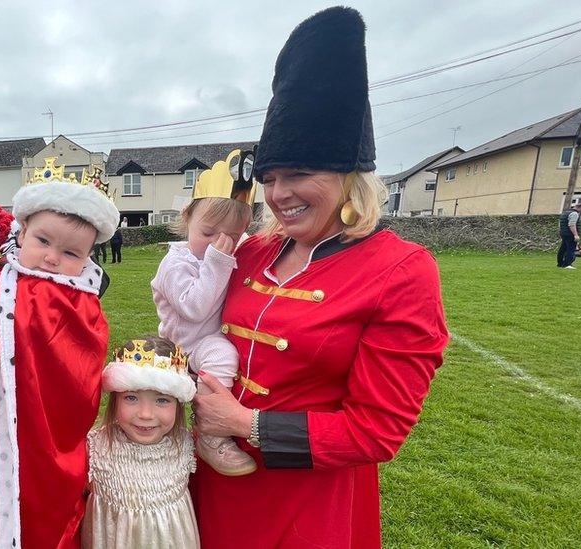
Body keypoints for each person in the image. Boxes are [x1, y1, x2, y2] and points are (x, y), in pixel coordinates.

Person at [190, 8, 449, 548]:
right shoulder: (254, 250)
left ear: (349, 177)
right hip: (212, 482)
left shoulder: (402, 270)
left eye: (300, 174)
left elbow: (376, 430)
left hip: (306, 502)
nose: (280, 194)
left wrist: (244, 424)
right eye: (271, 178)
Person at [0, 157, 119, 548]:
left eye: (72, 253)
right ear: (21, 234)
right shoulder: (12, 268)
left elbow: (25, 321)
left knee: (39, 499)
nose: (53, 258)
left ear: (88, 258)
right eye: (43, 241)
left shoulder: (74, 296)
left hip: (45, 424)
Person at [152, 150, 256, 476]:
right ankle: (212, 432)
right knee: (222, 358)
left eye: (231, 236)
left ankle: (203, 432)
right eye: (208, 233)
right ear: (187, 219)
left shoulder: (227, 249)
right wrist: (218, 262)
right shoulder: (176, 263)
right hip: (185, 343)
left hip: (210, 336)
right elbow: (194, 308)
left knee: (223, 355)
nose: (218, 244)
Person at [82, 336, 199, 548]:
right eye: (132, 398)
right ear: (116, 399)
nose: (145, 414)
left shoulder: (186, 445)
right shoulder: (94, 449)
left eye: (162, 400)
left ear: (178, 405)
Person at [557, 198, 581, 269]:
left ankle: (560, 263)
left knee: (563, 248)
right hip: (570, 234)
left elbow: (560, 224)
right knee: (571, 249)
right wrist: (576, 235)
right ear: (580, 208)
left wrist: (561, 232)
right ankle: (567, 264)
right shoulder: (574, 213)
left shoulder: (565, 213)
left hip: (563, 233)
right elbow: (572, 224)